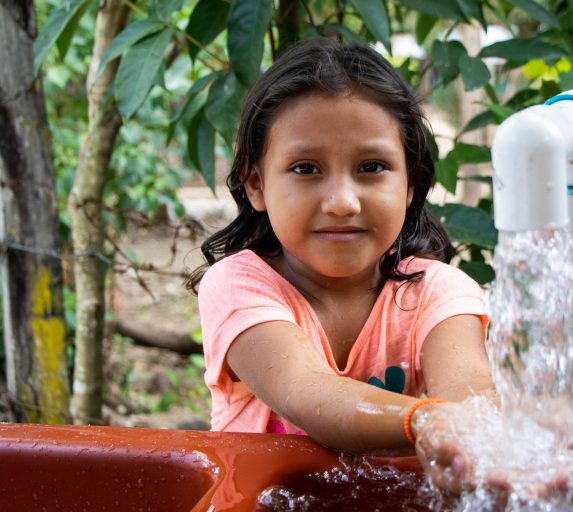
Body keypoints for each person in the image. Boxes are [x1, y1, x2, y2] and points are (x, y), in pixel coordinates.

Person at [188, 36, 495, 487]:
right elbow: (307, 391)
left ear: (411, 185)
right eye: (306, 168)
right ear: (256, 185)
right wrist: (428, 422)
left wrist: (487, 432)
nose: (342, 202)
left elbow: (472, 397)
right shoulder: (239, 285)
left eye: (371, 167)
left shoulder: (437, 292)